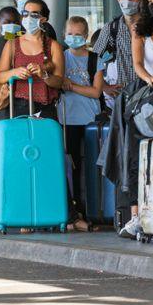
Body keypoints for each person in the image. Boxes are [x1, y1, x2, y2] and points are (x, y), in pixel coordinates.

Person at [59, 16, 105, 231]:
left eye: (78, 34)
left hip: (89, 121)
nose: (74, 38)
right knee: (70, 168)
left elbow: (96, 92)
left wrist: (71, 86)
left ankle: (91, 212)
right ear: (64, 34)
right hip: (66, 120)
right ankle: (74, 213)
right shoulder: (60, 57)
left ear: (86, 36)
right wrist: (75, 87)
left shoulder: (96, 59)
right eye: (70, 34)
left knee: (89, 169)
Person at [0, 0, 65, 120]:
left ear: (43, 19)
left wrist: (44, 75)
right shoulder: (12, 43)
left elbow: (59, 82)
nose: (28, 18)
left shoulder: (54, 46)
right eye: (25, 14)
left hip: (46, 108)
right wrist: (14, 72)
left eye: (34, 14)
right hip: (16, 107)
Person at [91, 0, 145, 100]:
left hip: (148, 92)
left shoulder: (150, 28)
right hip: (123, 96)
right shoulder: (111, 29)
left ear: (141, 1)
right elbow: (93, 61)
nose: (128, 2)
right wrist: (104, 87)